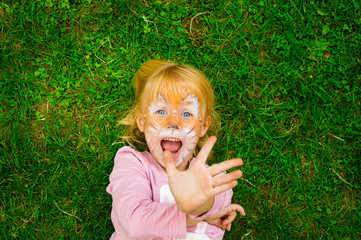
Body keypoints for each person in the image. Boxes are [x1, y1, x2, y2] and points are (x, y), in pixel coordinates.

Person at [106, 59, 245, 240]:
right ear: (142, 121)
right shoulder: (132, 163)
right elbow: (135, 223)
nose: (173, 122)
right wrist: (191, 213)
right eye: (161, 112)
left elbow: (219, 204)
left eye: (186, 114)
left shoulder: (212, 177)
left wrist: (203, 204)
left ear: (203, 127)